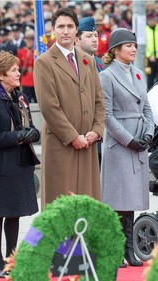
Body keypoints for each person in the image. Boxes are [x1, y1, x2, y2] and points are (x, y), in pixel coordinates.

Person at [33, 8, 105, 208]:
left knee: (87, 204)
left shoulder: (87, 60)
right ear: (53, 30)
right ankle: (56, 241)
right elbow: (49, 107)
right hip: (61, 144)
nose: (65, 31)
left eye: (70, 26)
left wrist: (97, 131)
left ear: (76, 31)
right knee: (61, 206)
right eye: (61, 27)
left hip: (88, 143)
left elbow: (99, 100)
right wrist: (73, 137)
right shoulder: (44, 62)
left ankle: (83, 241)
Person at [0, 51, 40, 278]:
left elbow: (29, 126)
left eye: (17, 69)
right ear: (0, 74)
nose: (18, 73)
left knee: (14, 214)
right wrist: (19, 137)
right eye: (14, 70)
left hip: (20, 164)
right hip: (1, 167)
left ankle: (10, 260)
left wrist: (33, 133)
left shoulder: (19, 97)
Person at [100, 28, 155, 267]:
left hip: (139, 139)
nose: (133, 48)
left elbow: (146, 108)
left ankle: (129, 248)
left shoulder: (138, 74)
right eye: (128, 45)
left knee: (131, 200)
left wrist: (149, 133)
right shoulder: (107, 77)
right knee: (117, 201)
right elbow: (107, 116)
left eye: (134, 45)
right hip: (119, 144)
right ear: (115, 50)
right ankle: (114, 249)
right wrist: (129, 140)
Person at [75, 16, 106, 166]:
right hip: (82, 135)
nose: (95, 39)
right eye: (89, 36)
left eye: (96, 35)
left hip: (102, 134)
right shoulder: (72, 65)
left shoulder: (101, 64)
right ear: (77, 40)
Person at [145, 12, 158, 90]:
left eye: (153, 20)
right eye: (150, 20)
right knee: (150, 78)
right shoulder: (145, 30)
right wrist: (149, 55)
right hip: (150, 59)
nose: (152, 21)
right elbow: (143, 45)